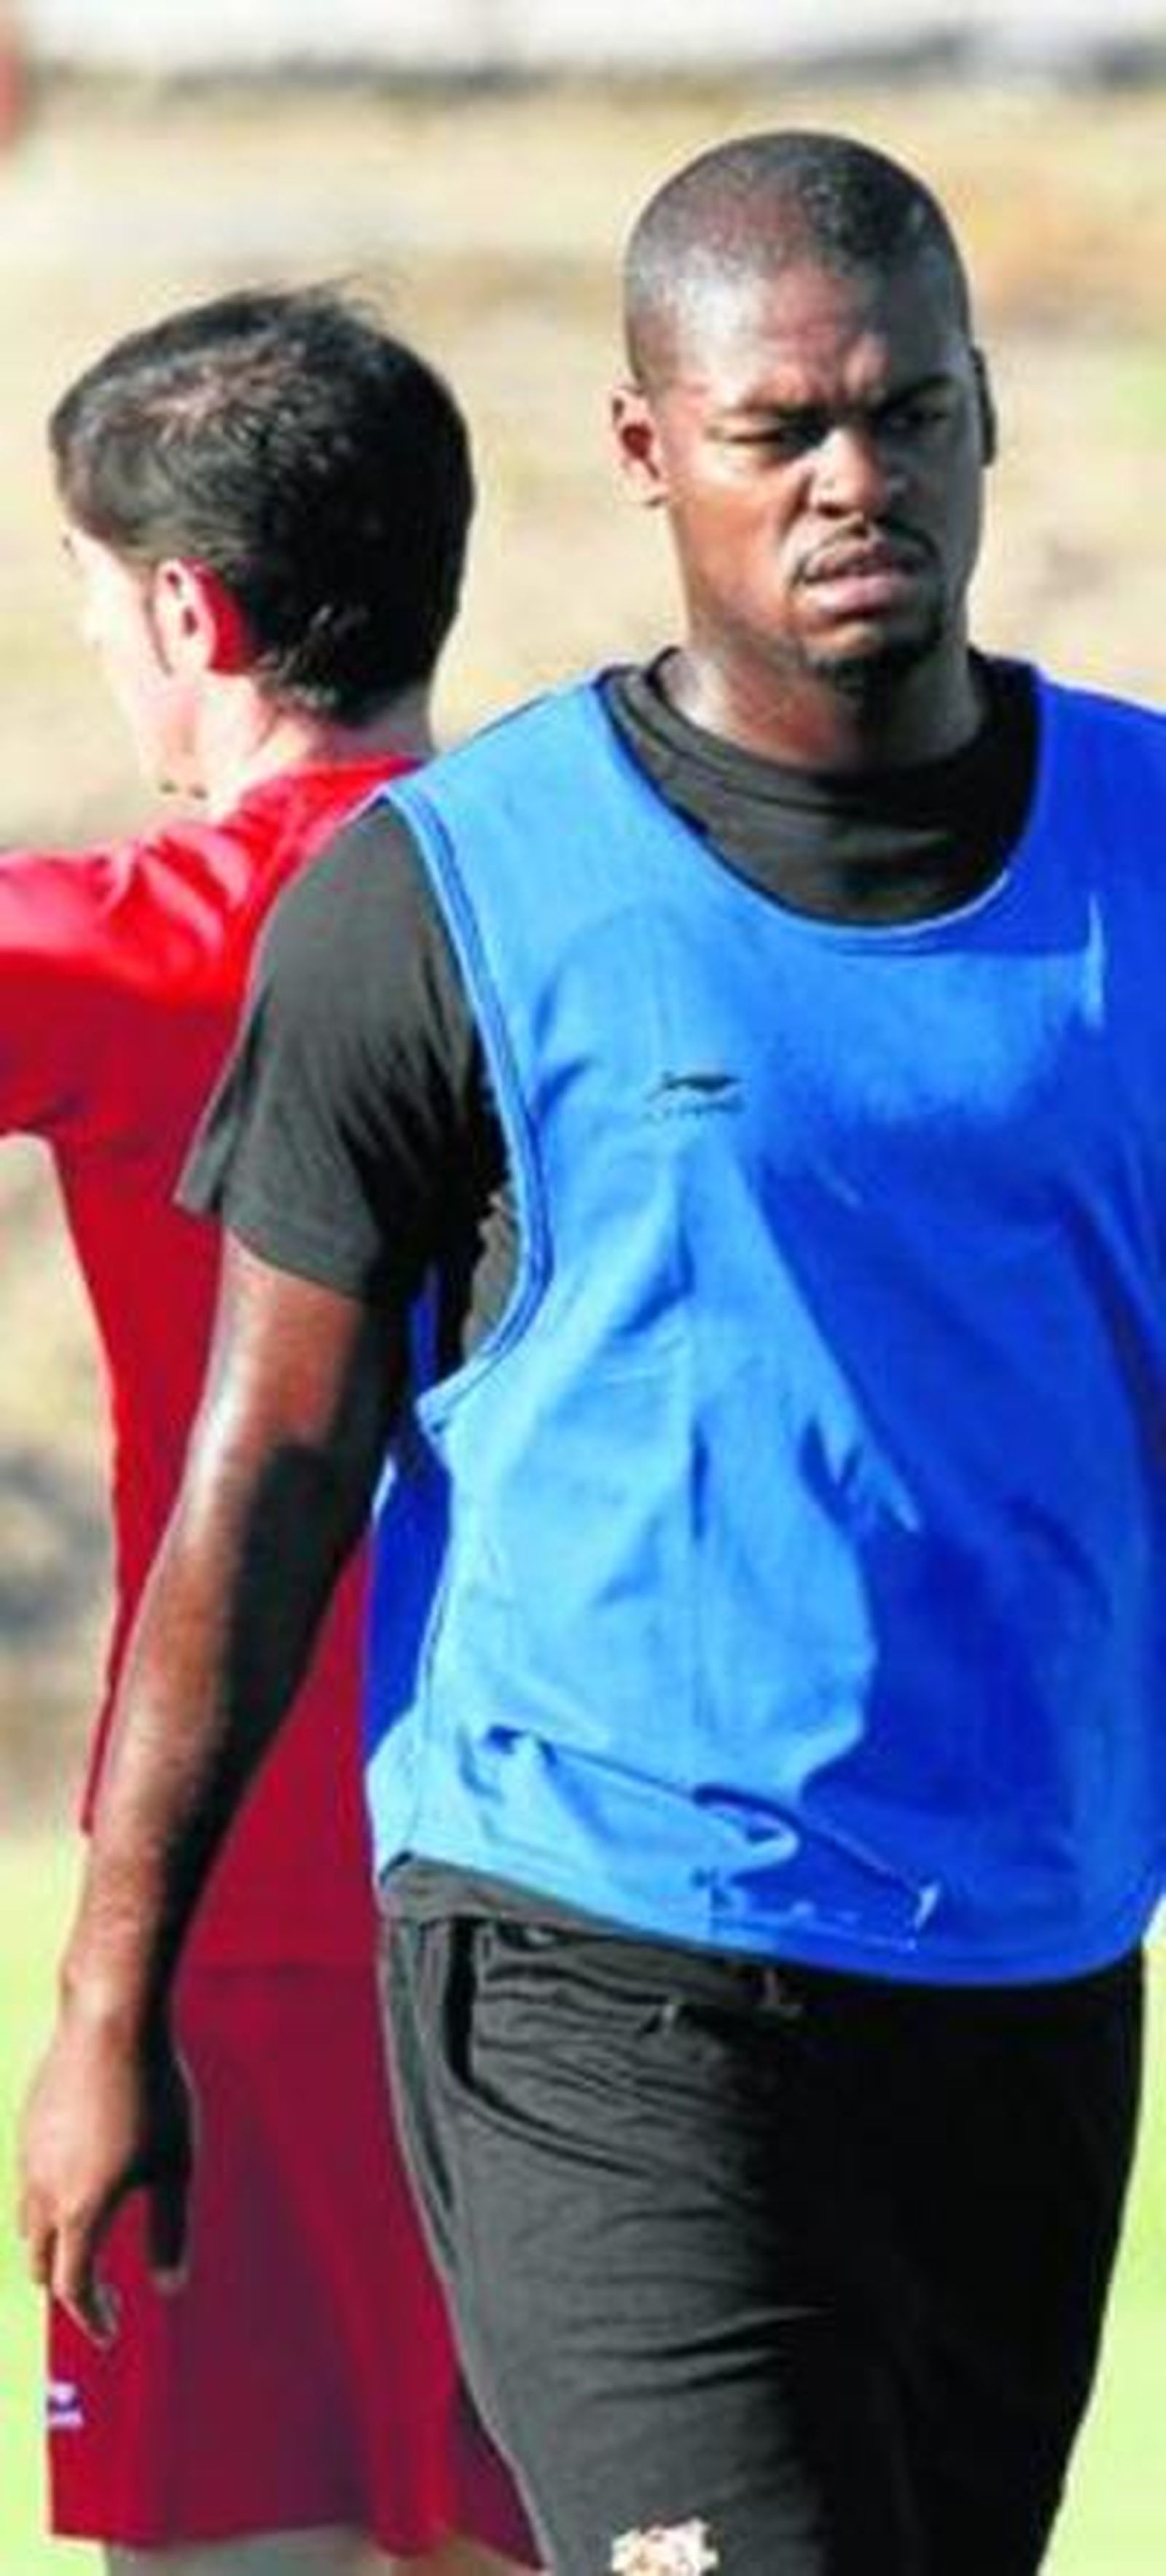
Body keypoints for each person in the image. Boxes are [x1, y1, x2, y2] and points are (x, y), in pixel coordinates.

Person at [18, 128, 1165, 2576]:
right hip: (566, 1946)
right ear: (646, 452)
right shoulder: (446, 904)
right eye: (782, 430)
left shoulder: (1147, 861)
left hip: (1023, 1962)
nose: (860, 478)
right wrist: (113, 2000)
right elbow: (270, 1473)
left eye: (910, 414)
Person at [4, 286, 533, 2576]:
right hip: (575, 1900)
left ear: (185, 607)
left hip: (243, 1911)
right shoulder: (591, 893)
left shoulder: (158, 941)